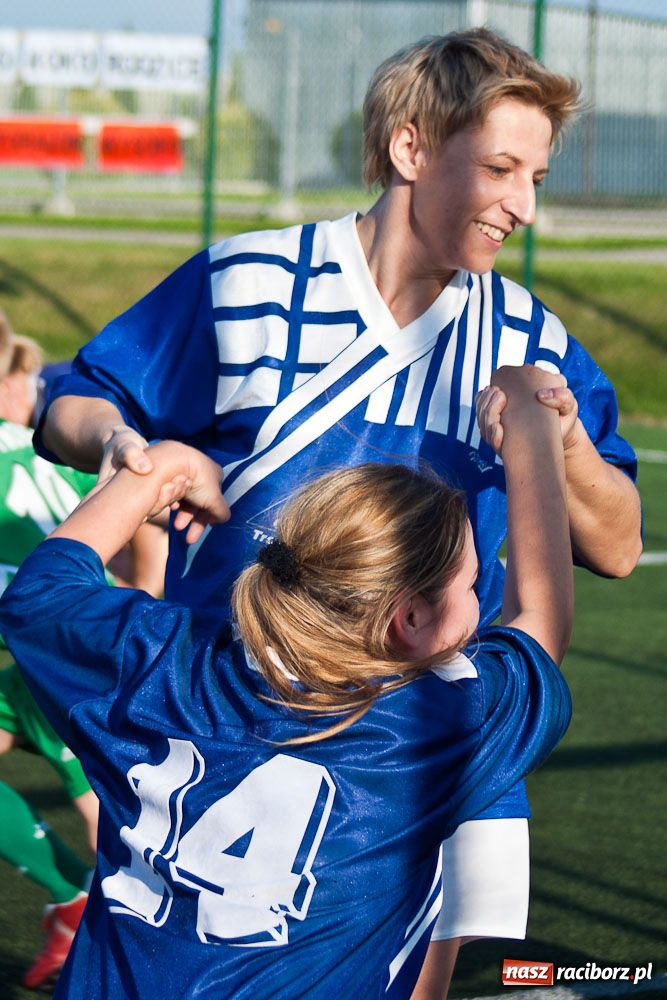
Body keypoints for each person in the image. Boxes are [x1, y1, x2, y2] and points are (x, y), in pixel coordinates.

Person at [33, 28, 642, 998]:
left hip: (429, 743)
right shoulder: (245, 282)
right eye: (498, 168)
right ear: (410, 150)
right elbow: (72, 400)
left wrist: (557, 439)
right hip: (223, 725)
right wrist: (119, 446)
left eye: (535, 173)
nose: (523, 205)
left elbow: (614, 544)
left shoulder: (533, 335)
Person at [0, 363, 573, 998]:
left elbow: (38, 595)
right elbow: (541, 620)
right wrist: (534, 433)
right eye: (470, 584)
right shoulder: (430, 724)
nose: (477, 598)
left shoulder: (161, 658)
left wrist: (154, 473)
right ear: (409, 618)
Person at [0, 314, 166, 988]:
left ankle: (131, 939)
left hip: (64, 654)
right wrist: (143, 600)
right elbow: (146, 518)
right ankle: (79, 904)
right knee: (124, 817)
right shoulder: (51, 459)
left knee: (128, 835)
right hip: (80, 642)